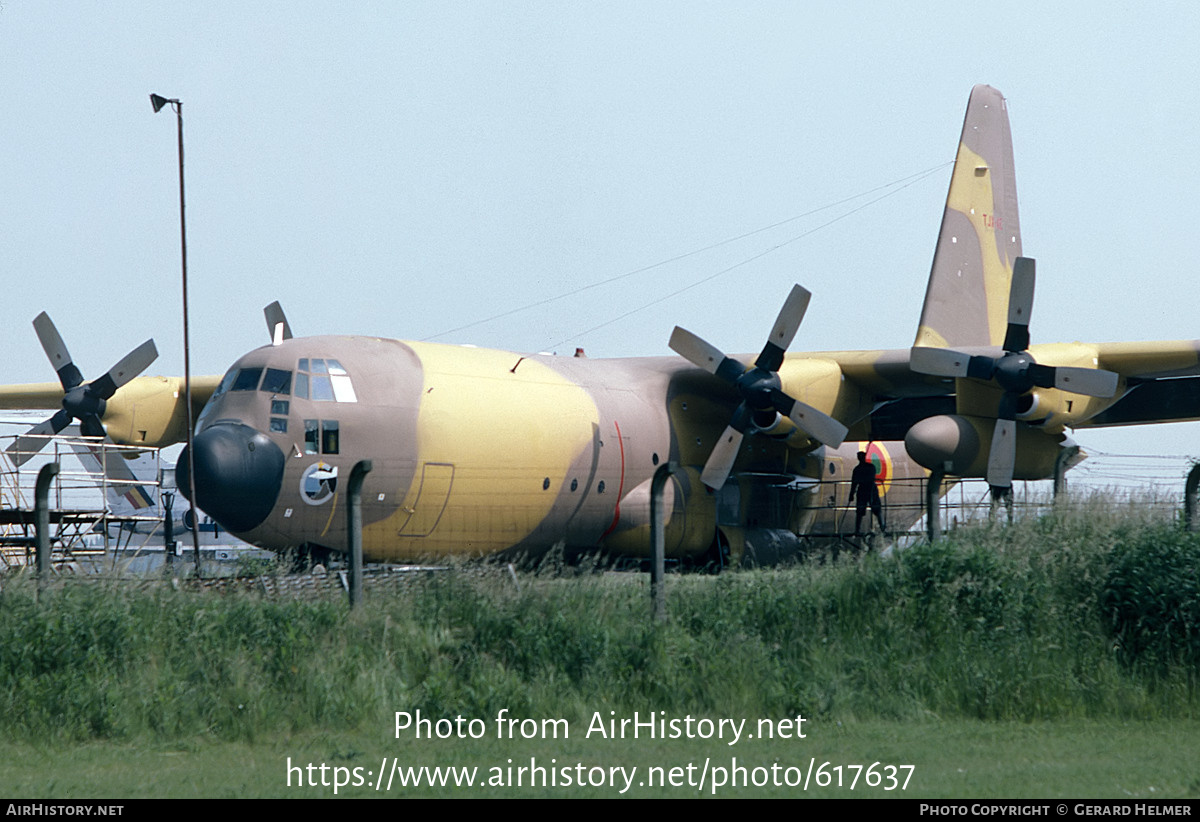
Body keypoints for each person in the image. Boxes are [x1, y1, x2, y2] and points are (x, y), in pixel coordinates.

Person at [848, 450, 885, 536]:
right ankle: (881, 527)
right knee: (863, 510)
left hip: (867, 490)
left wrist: (851, 494)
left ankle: (880, 526)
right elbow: (854, 483)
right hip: (867, 490)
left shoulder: (859, 469)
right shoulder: (868, 467)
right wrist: (851, 494)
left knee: (873, 509)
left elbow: (855, 483)